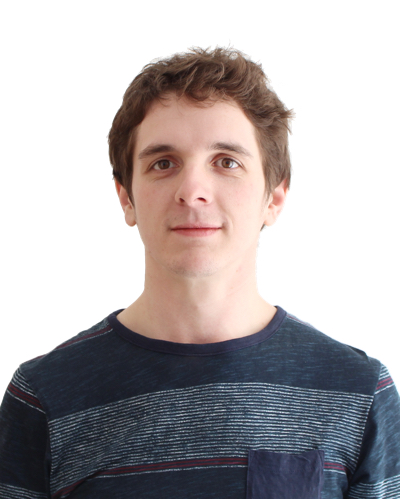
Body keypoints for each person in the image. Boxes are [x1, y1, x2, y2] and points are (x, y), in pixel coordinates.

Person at [0, 47, 399, 499]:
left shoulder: (358, 392)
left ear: (274, 197)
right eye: (163, 163)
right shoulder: (44, 396)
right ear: (126, 198)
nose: (192, 191)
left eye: (226, 161)